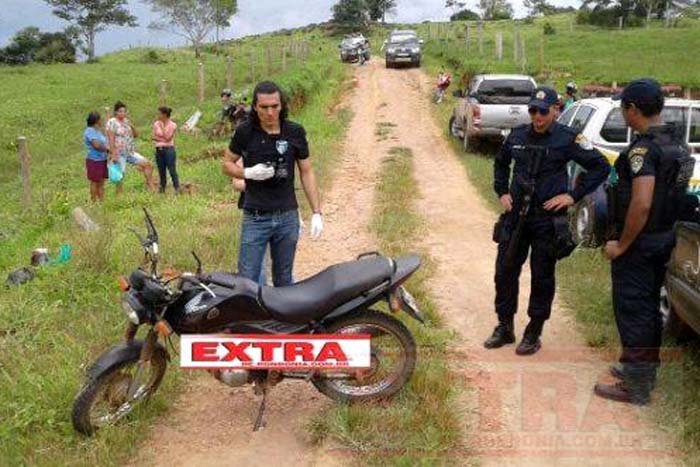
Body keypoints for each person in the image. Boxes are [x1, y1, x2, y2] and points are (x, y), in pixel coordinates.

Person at [486, 86, 609, 355]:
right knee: (505, 271)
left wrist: (572, 196)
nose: (537, 117)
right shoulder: (518, 135)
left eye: (543, 111)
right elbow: (500, 163)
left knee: (542, 276)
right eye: (533, 110)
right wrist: (502, 191)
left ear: (555, 110)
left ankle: (534, 331)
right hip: (515, 217)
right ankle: (505, 326)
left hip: (547, 220)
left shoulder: (568, 138)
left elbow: (601, 166)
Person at [594, 79, 694, 405]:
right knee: (649, 308)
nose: (623, 113)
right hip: (664, 237)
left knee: (633, 310)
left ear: (633, 109)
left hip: (640, 243)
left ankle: (636, 386)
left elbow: (642, 203)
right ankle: (640, 370)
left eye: (624, 107)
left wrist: (621, 245)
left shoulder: (642, 150)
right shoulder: (677, 145)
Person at [222, 80, 324, 286]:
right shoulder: (245, 131)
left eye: (275, 106)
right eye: (264, 107)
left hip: (287, 217)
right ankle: (253, 318)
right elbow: (226, 164)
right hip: (256, 217)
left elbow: (306, 171)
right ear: (255, 107)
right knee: (248, 279)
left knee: (284, 277)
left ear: (282, 105)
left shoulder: (295, 132)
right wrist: (247, 173)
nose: (270, 112)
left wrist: (316, 212)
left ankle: (282, 319)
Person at [106, 101, 155, 194]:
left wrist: (131, 125)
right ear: (116, 112)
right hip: (119, 152)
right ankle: (119, 196)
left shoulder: (126, 122)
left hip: (130, 151)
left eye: (124, 111)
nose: (122, 113)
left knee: (148, 164)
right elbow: (110, 138)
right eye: (120, 111)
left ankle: (150, 186)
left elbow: (136, 135)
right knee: (120, 175)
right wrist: (113, 154)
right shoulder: (112, 122)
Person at [151, 106, 180, 194]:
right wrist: (161, 138)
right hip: (159, 149)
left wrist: (162, 129)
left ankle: (177, 188)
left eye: (159, 113)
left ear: (164, 115)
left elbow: (168, 138)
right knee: (161, 170)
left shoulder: (173, 125)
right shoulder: (156, 124)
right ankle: (162, 188)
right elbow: (152, 136)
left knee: (172, 169)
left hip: (169, 150)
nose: (158, 115)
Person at [83, 111, 109, 202]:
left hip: (102, 159)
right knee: (94, 182)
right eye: (100, 119)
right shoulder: (90, 131)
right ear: (96, 120)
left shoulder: (97, 131)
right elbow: (96, 145)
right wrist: (108, 150)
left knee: (101, 181)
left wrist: (107, 114)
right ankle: (94, 201)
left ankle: (101, 201)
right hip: (94, 160)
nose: (101, 121)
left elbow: (106, 128)